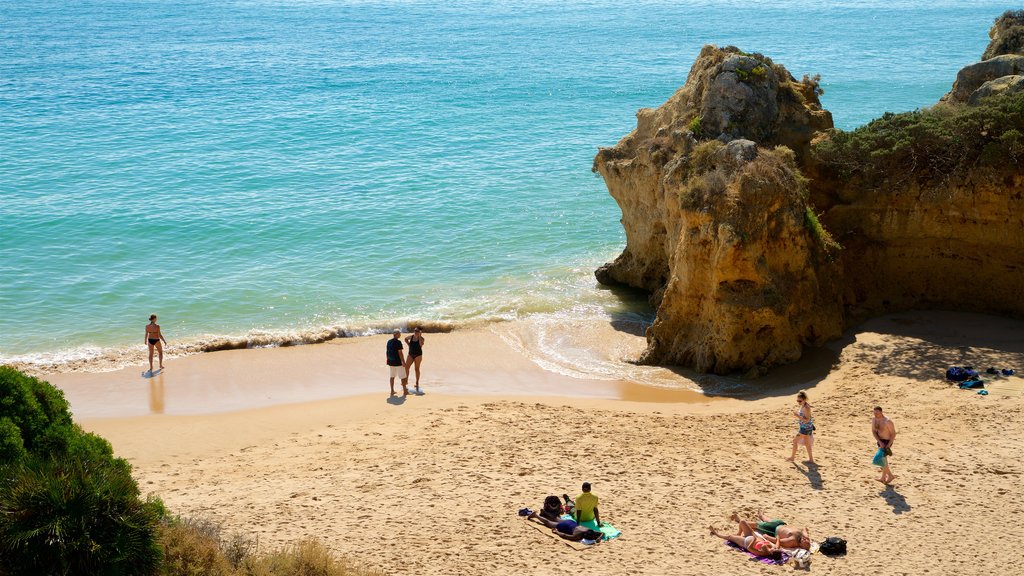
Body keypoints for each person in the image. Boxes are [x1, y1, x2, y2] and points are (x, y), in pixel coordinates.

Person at [730, 512, 811, 550]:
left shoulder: (792, 541)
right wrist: (805, 534)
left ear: (801, 546)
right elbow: (804, 528)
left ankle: (739, 519)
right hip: (781, 523)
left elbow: (779, 540)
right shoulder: (804, 537)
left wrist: (767, 537)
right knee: (768, 520)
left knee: (756, 525)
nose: (806, 540)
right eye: (807, 540)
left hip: (772, 529)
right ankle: (761, 515)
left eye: (805, 542)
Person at [710, 520, 783, 560]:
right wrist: (778, 538)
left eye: (773, 550)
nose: (773, 548)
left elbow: (749, 548)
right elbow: (777, 544)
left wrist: (754, 540)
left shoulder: (763, 553)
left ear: (771, 554)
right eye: (774, 549)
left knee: (730, 536)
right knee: (742, 522)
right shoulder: (774, 549)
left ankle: (716, 533)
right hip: (752, 536)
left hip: (746, 541)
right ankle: (739, 533)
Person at [786, 390, 815, 464]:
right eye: (797, 401)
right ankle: (811, 460)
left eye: (800, 401)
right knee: (807, 444)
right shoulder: (803, 406)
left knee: (795, 441)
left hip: (805, 428)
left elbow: (807, 420)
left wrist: (797, 416)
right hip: (806, 427)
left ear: (804, 399)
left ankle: (792, 457)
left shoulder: (806, 407)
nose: (798, 402)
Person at [872, 406, 897, 484]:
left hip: (887, 442)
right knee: (883, 460)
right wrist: (879, 441)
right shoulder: (874, 419)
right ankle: (883, 477)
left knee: (882, 460)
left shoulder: (887, 421)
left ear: (881, 412)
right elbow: (873, 431)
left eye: (877, 413)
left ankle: (890, 476)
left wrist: (888, 445)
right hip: (880, 441)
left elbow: (893, 434)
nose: (876, 414)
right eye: (874, 413)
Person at [386, 329, 408, 396]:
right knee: (403, 377)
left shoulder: (389, 341)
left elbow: (387, 351)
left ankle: (392, 391)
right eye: (399, 333)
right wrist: (403, 362)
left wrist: (387, 359)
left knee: (392, 376)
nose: (400, 334)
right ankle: (405, 391)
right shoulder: (398, 342)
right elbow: (400, 353)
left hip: (391, 362)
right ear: (396, 334)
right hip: (398, 362)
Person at [404, 327, 425, 391]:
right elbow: (405, 339)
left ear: (420, 332)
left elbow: (421, 344)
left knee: (416, 369)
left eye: (417, 331)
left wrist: (419, 336)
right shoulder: (411, 336)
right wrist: (409, 345)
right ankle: (406, 381)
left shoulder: (421, 338)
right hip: (410, 354)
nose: (415, 332)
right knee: (406, 367)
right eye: (415, 330)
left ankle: (417, 383)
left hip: (418, 355)